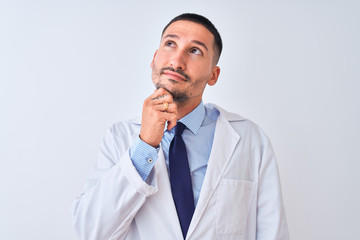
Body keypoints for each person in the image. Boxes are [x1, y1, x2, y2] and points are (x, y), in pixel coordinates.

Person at [72, 13, 290, 240]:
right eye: (170, 44)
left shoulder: (250, 140)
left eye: (195, 50)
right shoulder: (119, 137)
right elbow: (91, 232)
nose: (176, 61)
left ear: (213, 75)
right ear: (154, 58)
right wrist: (144, 145)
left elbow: (273, 233)